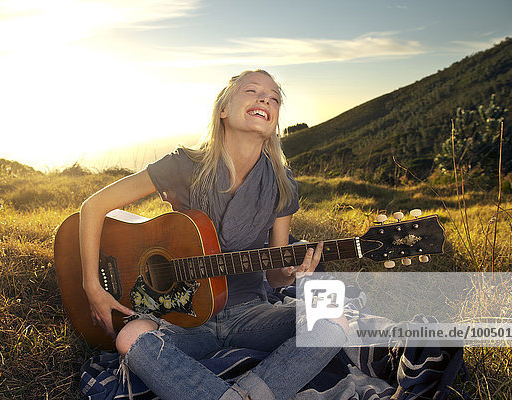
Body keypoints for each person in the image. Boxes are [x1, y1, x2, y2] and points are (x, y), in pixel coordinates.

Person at [79, 69, 348, 400]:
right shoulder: (184, 165)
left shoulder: (281, 184)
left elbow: (276, 277)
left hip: (250, 313)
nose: (265, 98)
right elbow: (94, 207)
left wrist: (292, 271)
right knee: (130, 337)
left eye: (275, 97)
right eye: (252, 90)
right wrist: (92, 286)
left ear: (274, 119)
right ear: (223, 109)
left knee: (333, 322)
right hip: (182, 318)